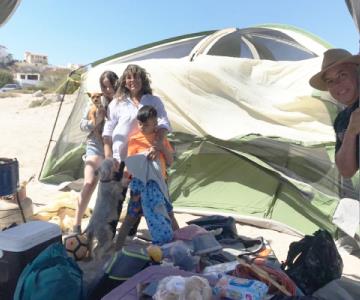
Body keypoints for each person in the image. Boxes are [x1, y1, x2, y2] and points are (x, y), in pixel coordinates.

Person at [102, 64, 179, 244]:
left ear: (142, 79)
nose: (132, 81)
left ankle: (130, 238)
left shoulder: (153, 101)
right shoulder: (117, 102)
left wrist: (157, 144)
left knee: (155, 202)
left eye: (136, 77)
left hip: (149, 161)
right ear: (124, 81)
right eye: (128, 77)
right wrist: (108, 156)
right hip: (119, 159)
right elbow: (108, 130)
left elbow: (163, 123)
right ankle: (108, 240)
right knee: (115, 201)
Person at [119, 105, 176, 245]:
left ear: (155, 123)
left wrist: (161, 148)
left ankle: (178, 240)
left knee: (168, 213)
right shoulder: (135, 139)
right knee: (130, 217)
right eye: (140, 123)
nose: (142, 127)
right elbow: (132, 164)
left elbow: (170, 161)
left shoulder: (160, 139)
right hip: (140, 185)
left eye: (146, 124)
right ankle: (116, 245)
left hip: (160, 183)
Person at [73, 70, 119, 233]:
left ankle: (101, 226)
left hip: (114, 147)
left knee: (110, 189)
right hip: (95, 144)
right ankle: (76, 224)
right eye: (104, 87)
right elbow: (82, 125)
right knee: (90, 182)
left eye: (110, 86)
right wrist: (96, 122)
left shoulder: (121, 102)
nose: (107, 90)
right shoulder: (95, 102)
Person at [309, 48, 360, 178]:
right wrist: (351, 131)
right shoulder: (341, 119)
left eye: (342, 75)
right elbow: (346, 171)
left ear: (357, 71)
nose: (337, 84)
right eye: (330, 81)